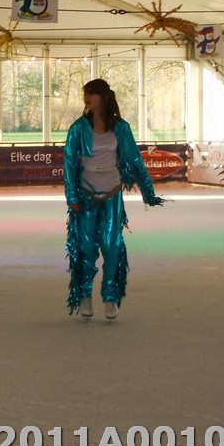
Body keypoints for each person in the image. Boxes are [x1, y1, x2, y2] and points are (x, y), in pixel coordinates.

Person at [64, 78, 164, 321]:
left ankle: (110, 296)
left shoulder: (121, 127)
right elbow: (69, 163)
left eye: (92, 94)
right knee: (86, 247)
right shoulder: (78, 128)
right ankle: (85, 295)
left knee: (112, 245)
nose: (87, 98)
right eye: (86, 94)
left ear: (105, 97)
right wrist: (71, 196)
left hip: (112, 191)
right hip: (85, 193)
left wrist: (148, 192)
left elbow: (135, 160)